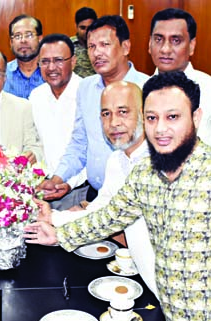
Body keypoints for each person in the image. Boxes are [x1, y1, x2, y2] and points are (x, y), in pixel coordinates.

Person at [25, 71, 211, 321]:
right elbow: (108, 216)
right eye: (152, 118)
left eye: (172, 117)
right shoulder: (144, 174)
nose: (160, 128)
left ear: (196, 118)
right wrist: (58, 234)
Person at [36, 81, 157, 297]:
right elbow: (101, 211)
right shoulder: (116, 160)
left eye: (123, 112)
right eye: (106, 114)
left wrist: (59, 231)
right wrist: (52, 216)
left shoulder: (159, 163)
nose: (113, 123)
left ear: (143, 114)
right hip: (140, 274)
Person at [40, 15, 149, 210]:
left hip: (133, 202)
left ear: (125, 47)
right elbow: (80, 142)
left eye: (105, 44)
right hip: (94, 194)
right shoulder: (86, 88)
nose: (97, 53)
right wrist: (58, 178)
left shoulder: (148, 88)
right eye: (91, 47)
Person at [149, 8, 211, 160]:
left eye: (176, 40)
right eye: (158, 39)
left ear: (192, 46)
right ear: (149, 43)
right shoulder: (138, 92)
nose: (165, 49)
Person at [29, 33, 83, 176]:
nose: (51, 67)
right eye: (45, 61)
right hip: (44, 184)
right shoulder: (36, 96)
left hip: (79, 187)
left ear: (73, 62)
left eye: (58, 60)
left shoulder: (86, 93)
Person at [3, 14, 44, 99]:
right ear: (11, 43)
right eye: (17, 36)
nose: (23, 40)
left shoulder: (51, 72)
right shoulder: (1, 74)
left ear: (40, 39)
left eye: (29, 35)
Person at [70, 7, 97, 78]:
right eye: (82, 28)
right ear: (76, 26)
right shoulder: (68, 45)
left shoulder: (102, 46)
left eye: (89, 27)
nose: (86, 31)